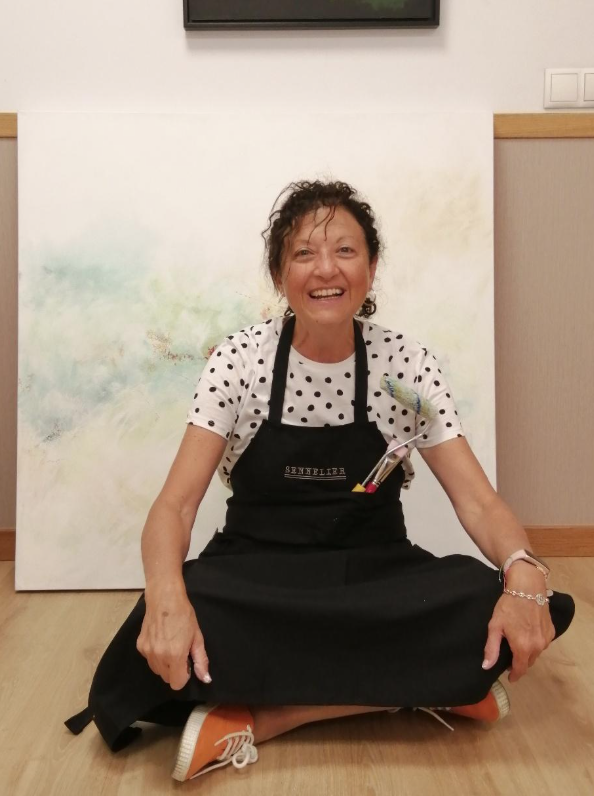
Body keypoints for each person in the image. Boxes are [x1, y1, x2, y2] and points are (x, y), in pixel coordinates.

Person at [65, 180, 575, 782]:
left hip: (377, 576)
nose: (325, 269)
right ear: (279, 274)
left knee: (491, 599)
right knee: (169, 618)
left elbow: (479, 502)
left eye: (345, 251)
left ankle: (260, 718)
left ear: (371, 268)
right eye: (304, 253)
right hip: (256, 577)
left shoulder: (405, 368)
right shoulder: (240, 360)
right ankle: (430, 687)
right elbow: (174, 507)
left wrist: (523, 572)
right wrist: (167, 597)